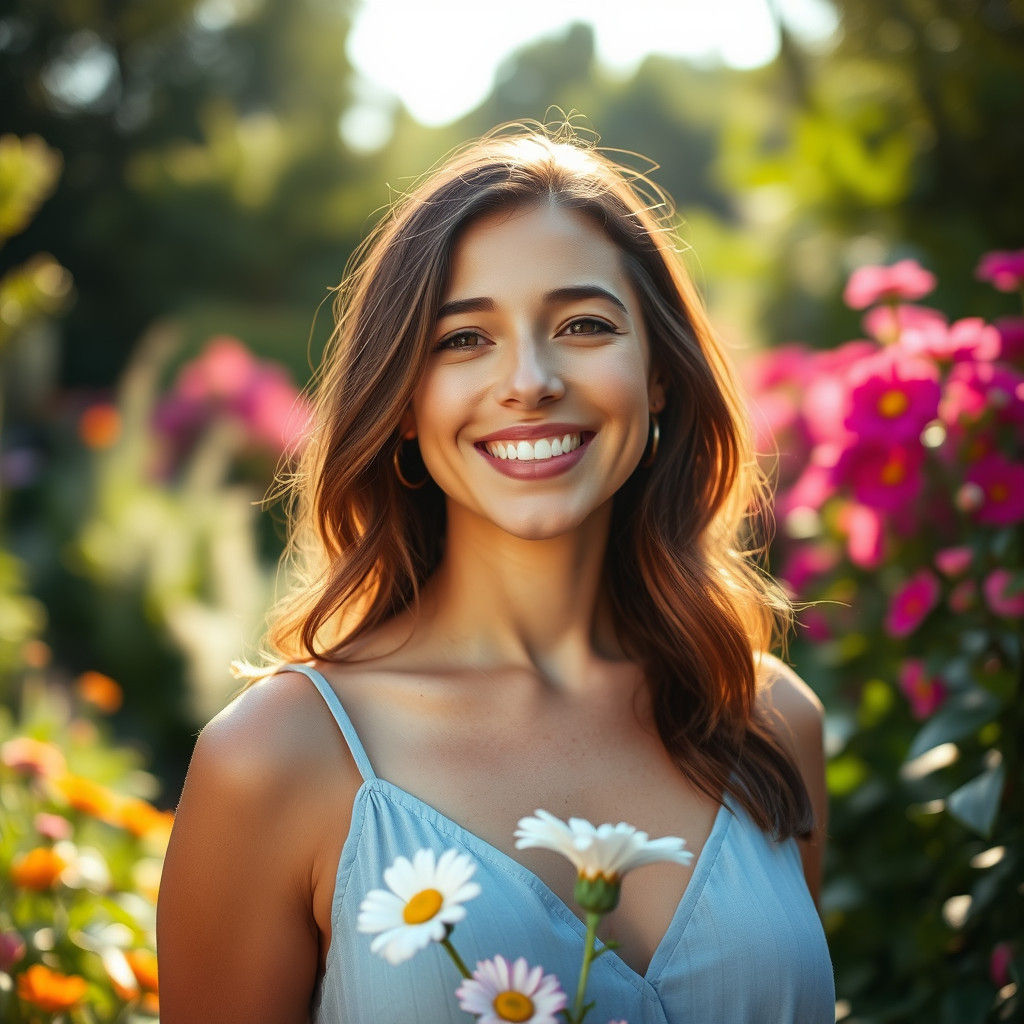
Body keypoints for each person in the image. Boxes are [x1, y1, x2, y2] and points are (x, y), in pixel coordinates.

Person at [157, 120, 835, 1024]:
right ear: (404, 400)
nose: (530, 381)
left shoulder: (769, 723)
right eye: (464, 338)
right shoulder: (274, 758)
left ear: (660, 374)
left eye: (584, 325)